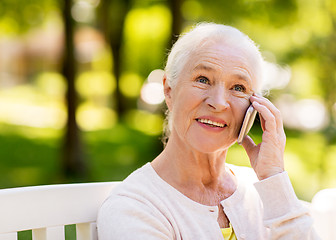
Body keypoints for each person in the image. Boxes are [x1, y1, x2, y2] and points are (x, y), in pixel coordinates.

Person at [97, 22, 320, 240]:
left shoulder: (265, 192)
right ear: (169, 90)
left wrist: (273, 175)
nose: (219, 102)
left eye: (238, 88)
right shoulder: (133, 207)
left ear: (254, 108)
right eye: (203, 80)